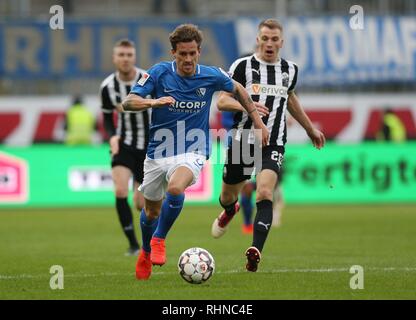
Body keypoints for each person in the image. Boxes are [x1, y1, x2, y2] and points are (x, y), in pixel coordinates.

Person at [121, 23, 269, 280]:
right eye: (182, 54)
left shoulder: (211, 75)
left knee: (176, 189)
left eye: (192, 53)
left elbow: (238, 89)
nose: (188, 59)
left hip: (194, 147)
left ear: (199, 51)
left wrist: (256, 120)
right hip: (159, 151)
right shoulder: (158, 73)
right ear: (173, 53)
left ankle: (159, 239)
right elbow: (128, 102)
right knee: (150, 211)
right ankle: (145, 251)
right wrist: (152, 101)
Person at [211, 19, 326, 272]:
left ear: (281, 43)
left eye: (275, 39)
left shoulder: (290, 70)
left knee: (265, 192)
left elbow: (291, 97)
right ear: (258, 40)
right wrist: (248, 107)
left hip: (274, 142)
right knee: (228, 195)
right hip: (243, 140)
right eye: (265, 38)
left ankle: (255, 251)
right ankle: (230, 210)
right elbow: (221, 102)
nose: (270, 43)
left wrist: (309, 129)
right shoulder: (242, 66)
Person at [100, 39, 150, 256]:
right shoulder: (107, 87)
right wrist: (112, 137)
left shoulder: (148, 79)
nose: (125, 59)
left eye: (129, 55)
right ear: (114, 58)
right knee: (120, 190)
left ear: (134, 57)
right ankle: (132, 244)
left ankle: (150, 243)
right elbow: (107, 117)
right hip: (124, 144)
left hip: (148, 147)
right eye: (121, 55)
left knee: (141, 204)